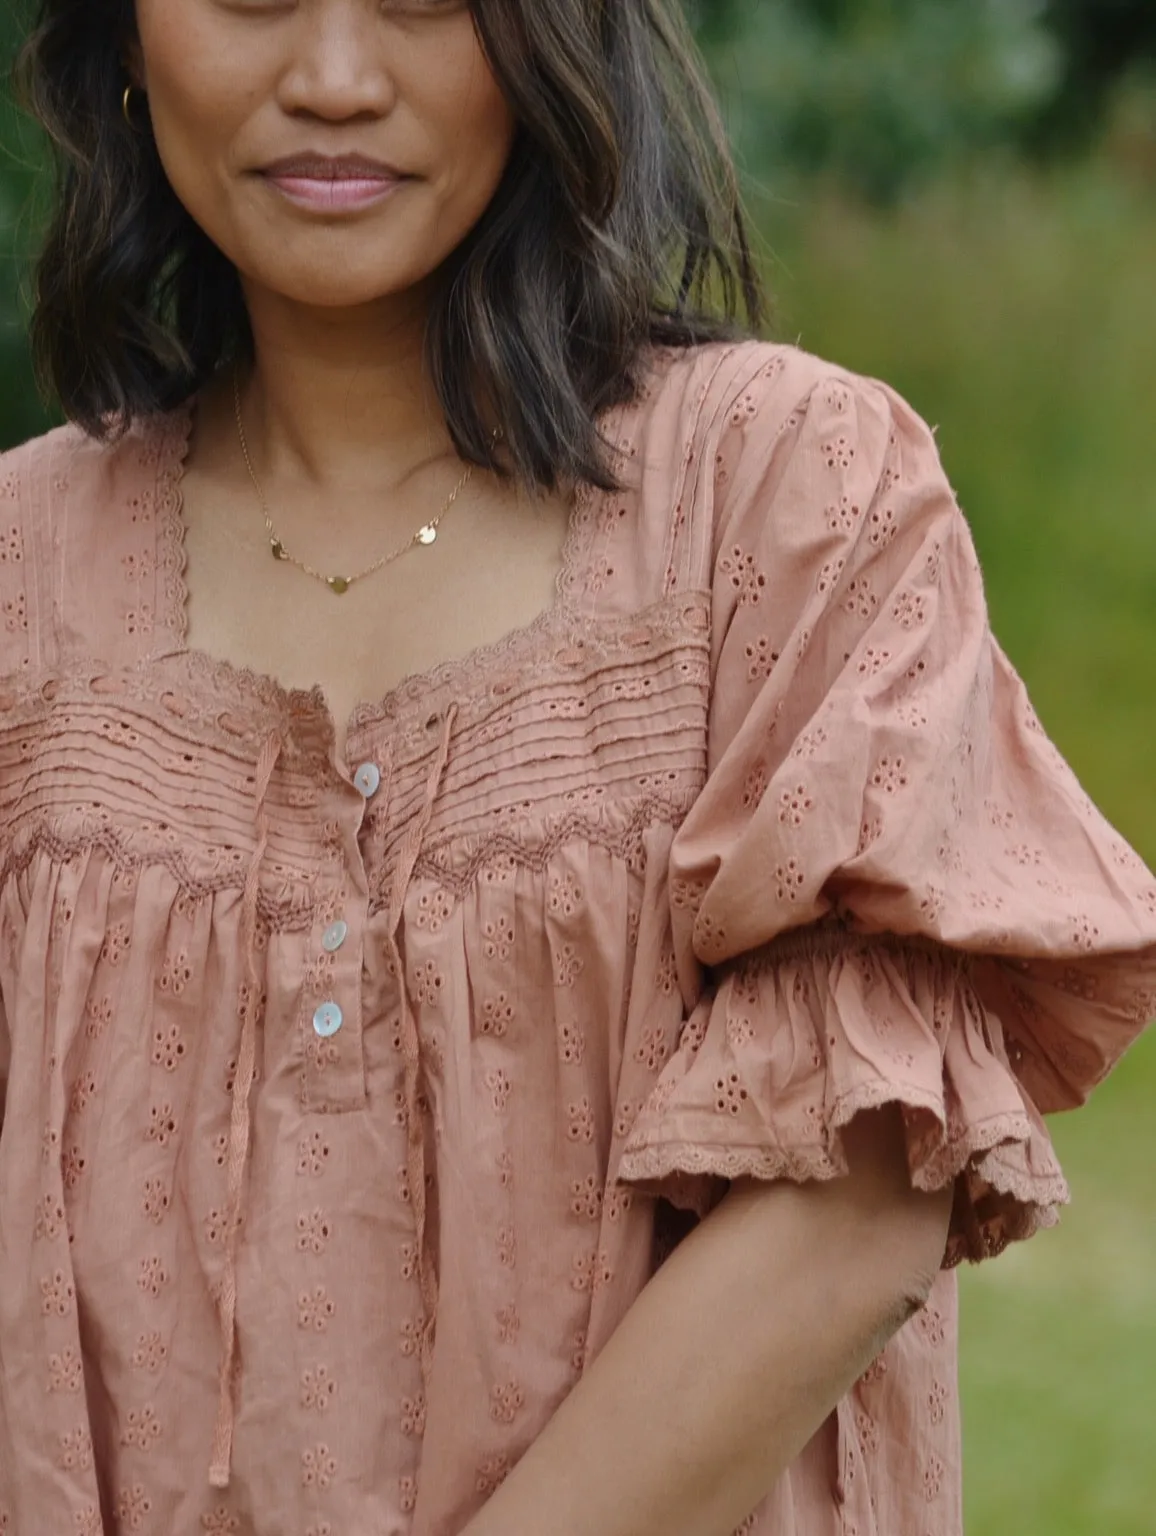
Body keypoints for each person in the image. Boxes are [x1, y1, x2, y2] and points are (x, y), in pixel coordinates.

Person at [1, 1, 1152, 1532]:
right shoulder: (23, 577)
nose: (334, 80)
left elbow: (861, 1190)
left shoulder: (783, 494)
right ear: (129, 36)